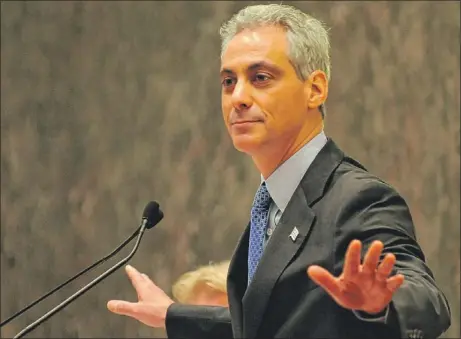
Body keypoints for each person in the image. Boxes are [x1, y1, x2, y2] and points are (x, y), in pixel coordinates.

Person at [107, 4, 451, 338]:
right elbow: (272, 326)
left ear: (314, 89)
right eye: (228, 81)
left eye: (260, 77)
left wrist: (382, 305)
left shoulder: (356, 198)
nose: (238, 97)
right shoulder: (271, 204)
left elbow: (427, 300)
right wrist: (173, 315)